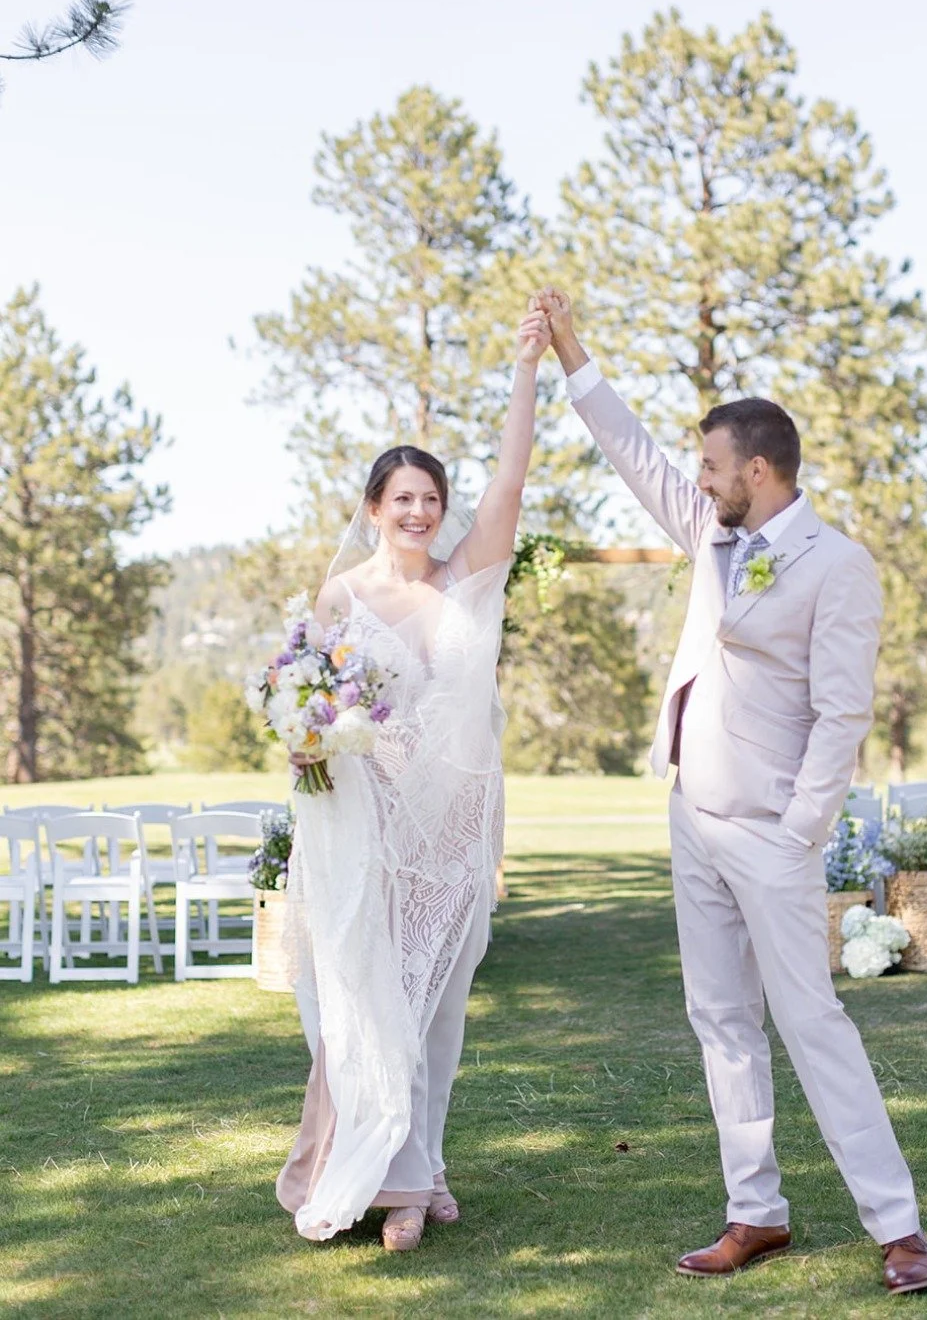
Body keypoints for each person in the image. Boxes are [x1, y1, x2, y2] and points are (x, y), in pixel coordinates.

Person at [532, 287, 927, 1296]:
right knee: (721, 1022)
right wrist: (573, 353)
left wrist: (799, 832)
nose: (699, 477)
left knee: (812, 1026)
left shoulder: (838, 567)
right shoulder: (712, 533)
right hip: (692, 817)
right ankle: (754, 1211)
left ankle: (898, 1228)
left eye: (712, 465)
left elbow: (843, 715)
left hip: (771, 833)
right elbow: (632, 453)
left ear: (756, 473)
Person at [276, 306, 552, 1251]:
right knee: (371, 996)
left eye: (429, 497)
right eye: (400, 498)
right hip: (368, 825)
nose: (418, 512)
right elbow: (307, 708)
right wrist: (305, 744)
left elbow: (511, 476)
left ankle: (424, 1162)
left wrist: (527, 368)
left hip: (456, 827)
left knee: (438, 1003)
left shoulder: (468, 576)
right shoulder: (343, 597)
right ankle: (392, 1185)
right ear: (372, 508)